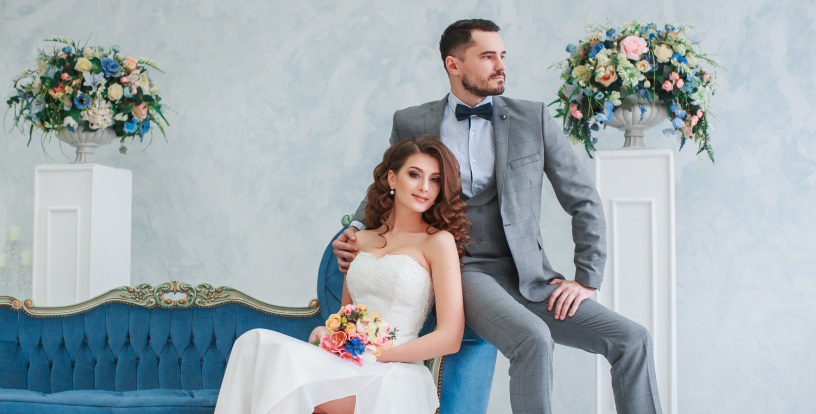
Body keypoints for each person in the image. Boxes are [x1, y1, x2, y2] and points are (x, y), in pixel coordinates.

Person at [332, 19, 663, 414]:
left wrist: (586, 279)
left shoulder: (533, 118)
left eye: (502, 56)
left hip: (532, 277)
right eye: (487, 56)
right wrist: (356, 228)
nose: (500, 65)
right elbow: (391, 180)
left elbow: (583, 199)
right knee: (532, 338)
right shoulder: (413, 121)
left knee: (633, 339)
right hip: (465, 269)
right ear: (454, 64)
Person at [215, 135, 469, 414]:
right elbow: (346, 316)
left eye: (435, 180)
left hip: (395, 373)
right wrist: (328, 333)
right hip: (348, 364)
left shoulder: (438, 242)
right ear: (392, 178)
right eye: (414, 174)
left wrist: (376, 355)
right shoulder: (360, 240)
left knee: (285, 367)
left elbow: (450, 337)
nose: (425, 187)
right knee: (253, 342)